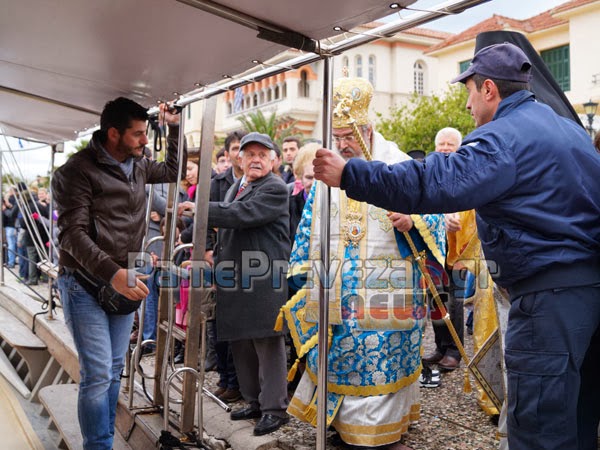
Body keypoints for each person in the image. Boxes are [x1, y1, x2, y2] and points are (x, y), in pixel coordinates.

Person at [313, 43, 600, 450]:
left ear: (488, 90)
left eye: (467, 92)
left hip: (548, 299)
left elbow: (436, 181)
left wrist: (351, 174)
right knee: (578, 414)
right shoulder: (568, 130)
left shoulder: (503, 137)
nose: (466, 106)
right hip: (587, 294)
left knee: (540, 423)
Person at [281, 77, 445, 450]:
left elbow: (434, 213)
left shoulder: (400, 164)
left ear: (367, 129)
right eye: (336, 136)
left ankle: (382, 435)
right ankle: (343, 429)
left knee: (381, 361)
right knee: (337, 357)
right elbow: (310, 226)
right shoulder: (327, 174)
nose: (341, 144)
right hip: (336, 290)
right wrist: (305, 277)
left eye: (348, 136)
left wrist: (412, 219)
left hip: (387, 290)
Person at [52, 97, 184, 450]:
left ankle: (103, 439)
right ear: (114, 134)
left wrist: (172, 128)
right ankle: (98, 446)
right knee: (97, 375)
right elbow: (71, 235)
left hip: (124, 279)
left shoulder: (138, 165)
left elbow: (174, 170)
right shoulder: (74, 171)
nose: (144, 141)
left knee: (112, 370)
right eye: (138, 134)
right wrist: (114, 274)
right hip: (83, 283)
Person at [205, 132, 291, 435]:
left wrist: (201, 209)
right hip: (236, 278)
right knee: (241, 341)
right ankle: (254, 401)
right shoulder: (238, 186)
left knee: (268, 343)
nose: (255, 159)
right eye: (249, 153)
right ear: (238, 159)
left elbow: (242, 214)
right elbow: (228, 226)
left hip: (265, 278)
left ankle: (275, 409)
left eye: (262, 154)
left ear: (273, 160)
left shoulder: (275, 188)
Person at [423, 127, 466, 372]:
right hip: (434, 245)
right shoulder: (430, 171)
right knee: (436, 298)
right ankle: (441, 346)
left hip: (458, 247)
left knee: (454, 299)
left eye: (450, 144)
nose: (446, 148)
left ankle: (454, 351)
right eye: (442, 144)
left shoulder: (466, 170)